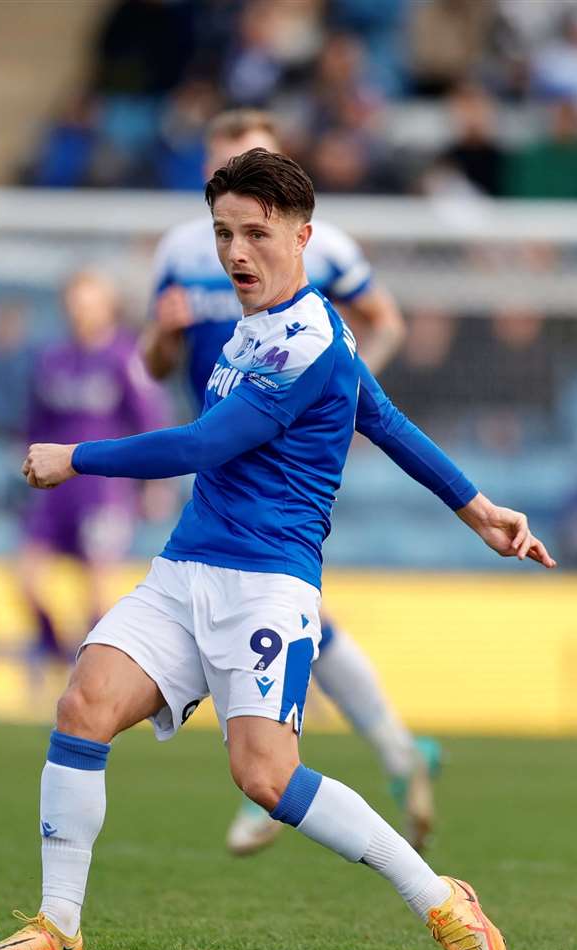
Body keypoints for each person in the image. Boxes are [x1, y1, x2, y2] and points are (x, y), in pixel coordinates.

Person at [0, 149, 554, 950]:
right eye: (223, 234)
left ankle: (438, 896)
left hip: (268, 589)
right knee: (84, 706)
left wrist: (77, 456)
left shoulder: (308, 340)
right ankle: (58, 924)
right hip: (184, 572)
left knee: (266, 778)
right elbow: (384, 418)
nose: (236, 253)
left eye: (257, 233)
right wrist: (477, 509)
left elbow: (206, 441)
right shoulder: (257, 328)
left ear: (303, 235)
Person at [140, 108, 438, 856]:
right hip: (215, 453)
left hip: (278, 453)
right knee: (286, 617)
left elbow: (386, 321)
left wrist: (344, 403)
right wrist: (161, 336)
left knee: (273, 607)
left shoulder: (323, 244)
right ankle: (385, 752)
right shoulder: (179, 251)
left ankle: (278, 782)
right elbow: (154, 366)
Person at [21, 270, 166, 662]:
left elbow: (149, 417)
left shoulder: (125, 357)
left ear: (107, 307)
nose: (80, 312)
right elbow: (36, 420)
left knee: (98, 590)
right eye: (75, 303)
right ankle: (58, 654)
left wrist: (156, 483)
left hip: (101, 488)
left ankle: (93, 667)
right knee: (26, 579)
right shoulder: (53, 358)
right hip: (54, 491)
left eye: (88, 303)